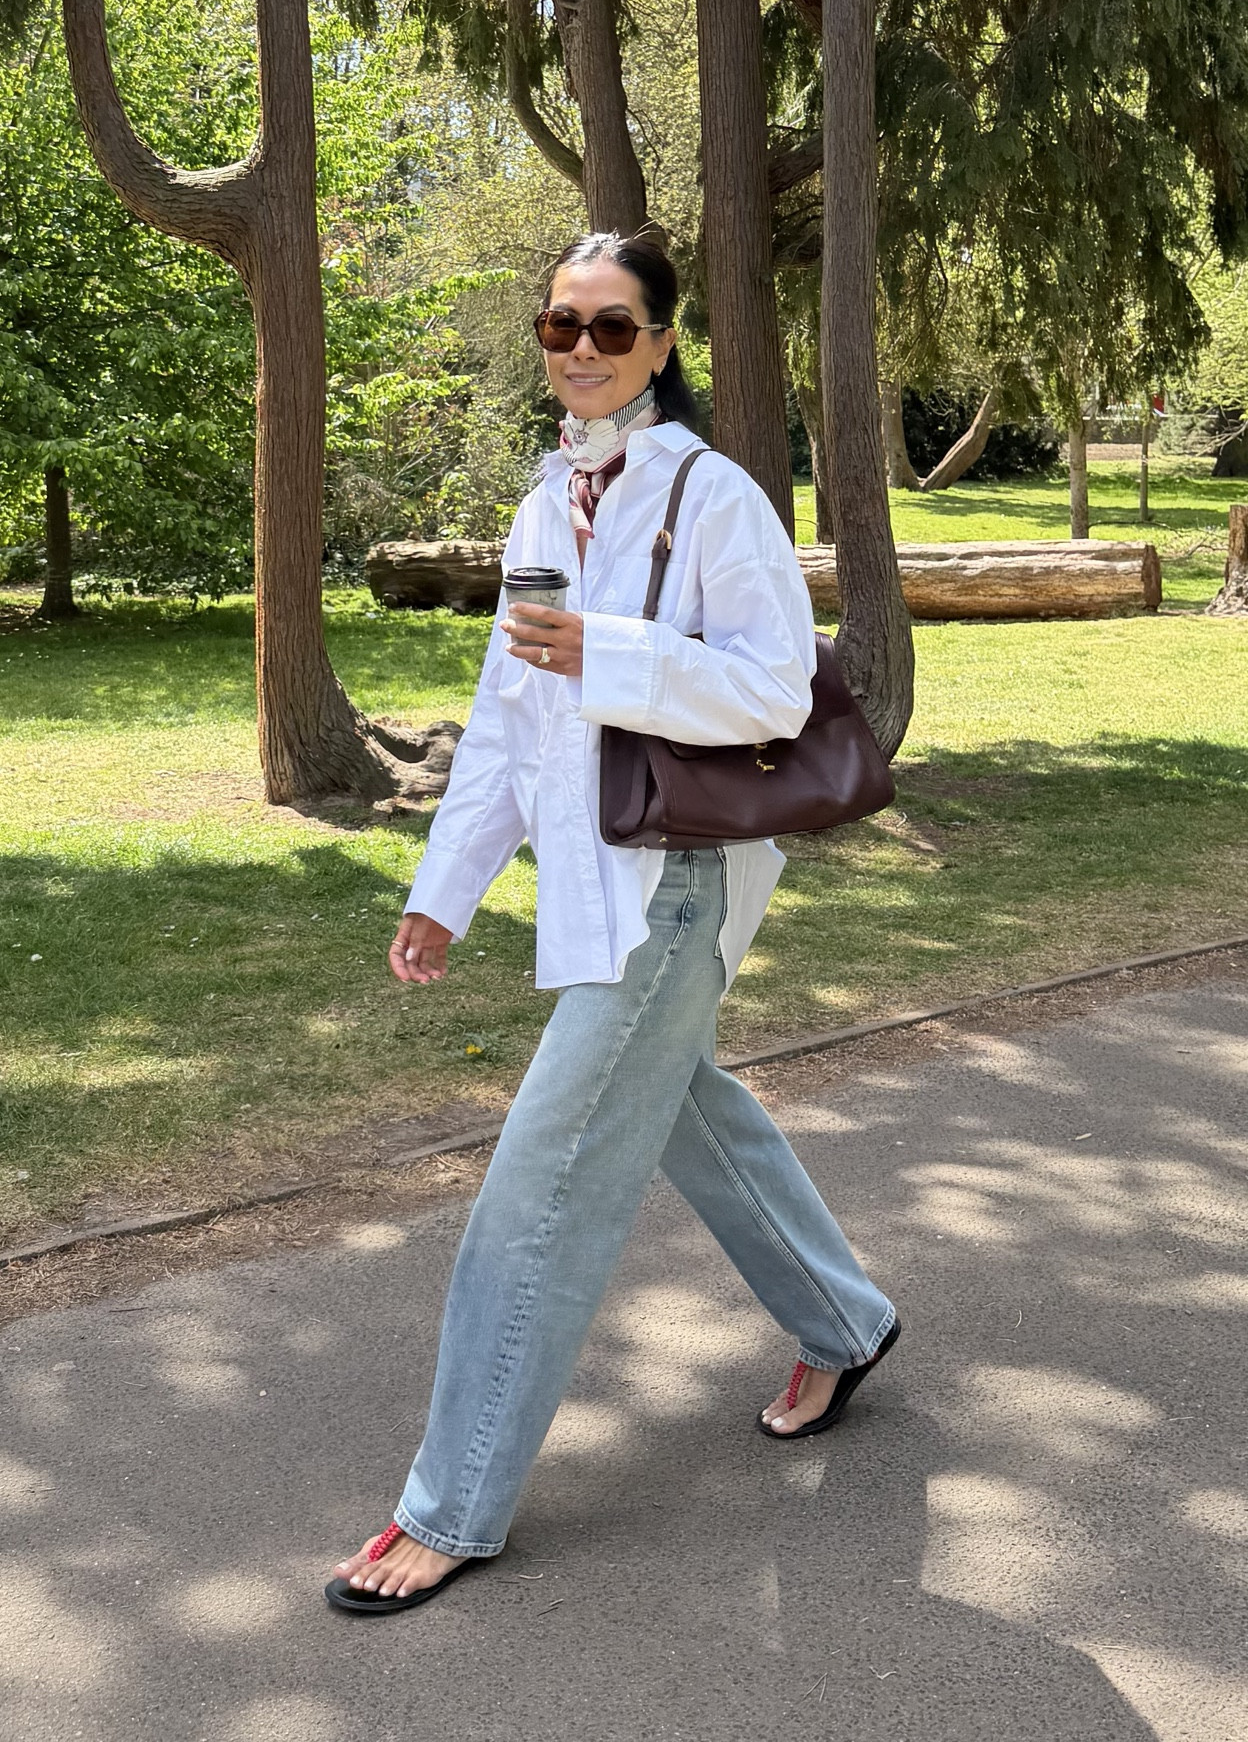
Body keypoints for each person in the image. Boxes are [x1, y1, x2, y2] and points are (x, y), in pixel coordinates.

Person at [326, 231, 899, 1616]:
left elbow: (775, 692)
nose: (581, 350)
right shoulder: (546, 505)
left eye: (612, 327)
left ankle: (453, 1501)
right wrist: (441, 893)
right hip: (595, 879)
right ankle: (845, 1322)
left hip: (679, 880)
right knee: (685, 1105)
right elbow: (510, 729)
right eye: (560, 326)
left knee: (545, 1183)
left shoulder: (714, 497)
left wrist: (613, 655)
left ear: (660, 342)